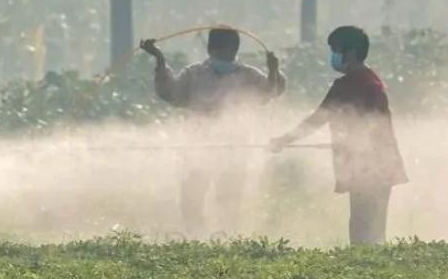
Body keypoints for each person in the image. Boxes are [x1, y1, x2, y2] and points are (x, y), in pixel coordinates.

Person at [140, 28, 286, 237]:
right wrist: (160, 60)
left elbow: (271, 91)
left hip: (234, 147)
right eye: (220, 49)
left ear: (235, 50)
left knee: (229, 199)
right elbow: (172, 94)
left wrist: (274, 69)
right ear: (210, 49)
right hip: (197, 146)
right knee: (191, 198)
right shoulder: (195, 73)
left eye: (229, 49)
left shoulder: (248, 75)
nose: (224, 54)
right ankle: (197, 238)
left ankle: (227, 239)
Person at [270, 26, 408, 245]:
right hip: (378, 166)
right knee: (369, 227)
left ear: (351, 52)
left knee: (364, 227)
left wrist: (284, 140)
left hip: (372, 167)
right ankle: (371, 268)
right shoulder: (368, 81)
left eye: (336, 50)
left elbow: (318, 120)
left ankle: (366, 270)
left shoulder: (358, 85)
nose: (333, 57)